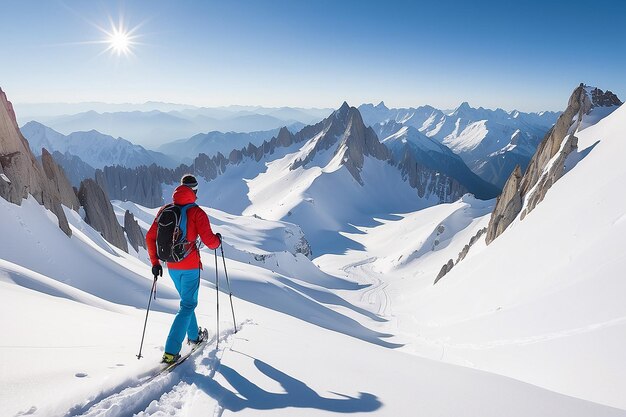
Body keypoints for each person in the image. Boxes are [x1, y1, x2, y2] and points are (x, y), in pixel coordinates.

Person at [146, 174, 222, 364]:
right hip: (190, 266)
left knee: (187, 302)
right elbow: (210, 242)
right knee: (188, 305)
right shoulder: (197, 213)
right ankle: (171, 352)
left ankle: (194, 337)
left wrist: (155, 263)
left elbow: (150, 237)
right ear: (194, 191)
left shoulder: (165, 210)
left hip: (171, 266)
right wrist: (218, 240)